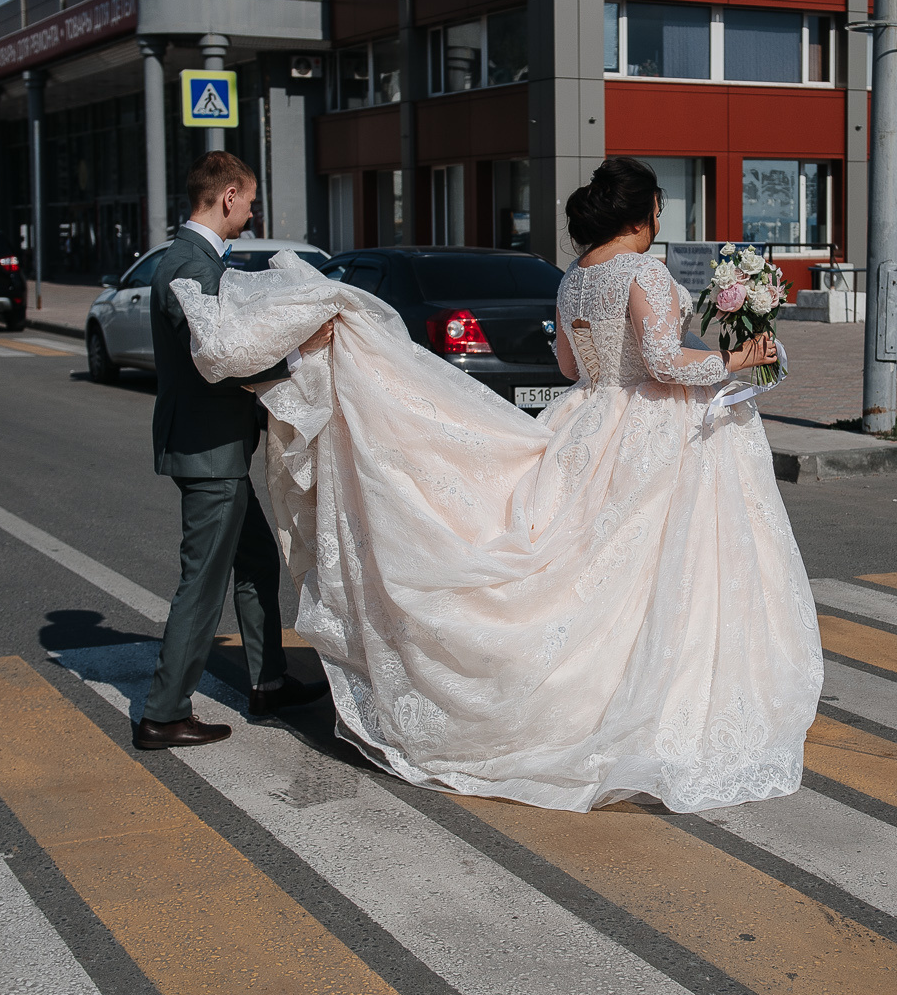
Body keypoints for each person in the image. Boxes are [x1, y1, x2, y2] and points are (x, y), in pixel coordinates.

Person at [170, 156, 824, 812]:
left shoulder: (576, 278)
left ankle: (584, 687)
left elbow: (570, 364)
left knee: (585, 569)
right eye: (658, 207)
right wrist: (738, 358)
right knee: (659, 571)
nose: (660, 217)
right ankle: (647, 699)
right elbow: (660, 361)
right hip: (651, 430)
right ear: (646, 208)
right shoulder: (644, 271)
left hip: (587, 422)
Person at [134, 152, 332, 751]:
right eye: (247, 199)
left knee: (255, 564)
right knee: (202, 583)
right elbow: (217, 360)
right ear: (226, 197)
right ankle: (164, 713)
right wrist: (297, 355)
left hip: (218, 448)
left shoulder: (197, 260)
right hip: (208, 452)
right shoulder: (185, 266)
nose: (251, 210)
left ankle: (268, 681)